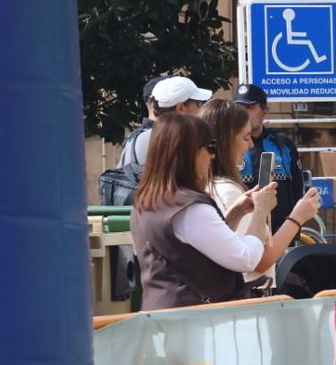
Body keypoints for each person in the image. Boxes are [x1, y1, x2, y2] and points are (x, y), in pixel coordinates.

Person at [131, 111, 320, 310]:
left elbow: (201, 246)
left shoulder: (146, 202)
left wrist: (236, 212)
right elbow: (248, 258)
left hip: (161, 313)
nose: (212, 155)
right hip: (196, 318)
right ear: (189, 152)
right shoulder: (190, 208)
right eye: (208, 147)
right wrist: (264, 212)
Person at [201, 99, 272, 291]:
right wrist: (297, 217)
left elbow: (218, 241)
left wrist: (239, 211)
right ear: (226, 141)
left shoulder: (201, 188)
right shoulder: (227, 191)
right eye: (246, 137)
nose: (251, 145)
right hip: (246, 295)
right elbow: (258, 261)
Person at [234, 83, 308, 231]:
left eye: (249, 108)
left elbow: (297, 189)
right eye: (239, 108)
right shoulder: (229, 145)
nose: (242, 113)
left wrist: (294, 226)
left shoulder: (284, 145)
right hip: (242, 232)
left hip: (281, 231)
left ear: (263, 112)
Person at [123, 75, 211, 170]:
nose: (200, 110)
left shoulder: (136, 139)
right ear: (180, 107)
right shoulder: (174, 141)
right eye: (198, 104)